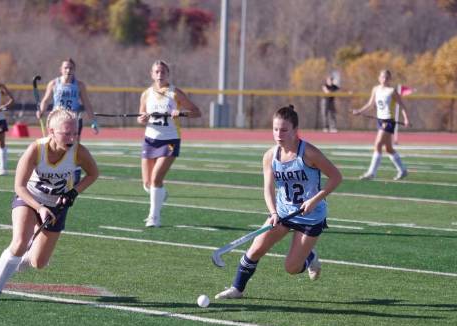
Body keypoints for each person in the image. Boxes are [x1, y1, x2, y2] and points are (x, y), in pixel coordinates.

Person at [215, 105, 342, 300]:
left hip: (310, 216)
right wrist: (273, 212)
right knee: (255, 250)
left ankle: (310, 257)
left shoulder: (308, 152)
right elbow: (268, 188)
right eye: (275, 129)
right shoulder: (270, 156)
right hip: (283, 212)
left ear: (295, 130)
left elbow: (336, 177)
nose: (278, 134)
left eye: (284, 130)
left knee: (291, 268)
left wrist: (315, 200)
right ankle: (237, 289)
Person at [0, 108, 99, 301]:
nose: (72, 138)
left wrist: (73, 192)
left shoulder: (78, 152)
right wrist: (39, 208)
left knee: (39, 262)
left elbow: (93, 174)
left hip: (56, 207)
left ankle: (28, 254)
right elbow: (19, 186)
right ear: (51, 131)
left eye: (74, 133)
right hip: (29, 199)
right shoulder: (36, 149)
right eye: (66, 133)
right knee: (19, 242)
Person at [136, 60, 201, 228]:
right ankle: (161, 193)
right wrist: (141, 119)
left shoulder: (175, 93)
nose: (159, 75)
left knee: (156, 179)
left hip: (169, 140)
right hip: (150, 140)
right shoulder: (146, 94)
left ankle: (154, 217)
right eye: (156, 72)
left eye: (162, 72)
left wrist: (181, 113)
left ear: (167, 74)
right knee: (147, 184)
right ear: (151, 74)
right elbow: (141, 116)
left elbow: (196, 112)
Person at [352, 69, 410, 180]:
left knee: (378, 144)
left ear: (390, 79)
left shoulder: (392, 91)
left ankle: (371, 173)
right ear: (379, 78)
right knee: (388, 149)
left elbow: (402, 106)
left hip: (388, 121)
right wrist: (360, 111)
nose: (384, 79)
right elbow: (370, 104)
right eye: (383, 77)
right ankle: (402, 170)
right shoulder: (376, 89)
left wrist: (406, 119)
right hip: (380, 121)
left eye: (387, 77)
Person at [36, 58, 99, 138]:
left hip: (73, 119)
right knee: (53, 143)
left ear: (74, 70)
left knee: (73, 146)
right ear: (61, 69)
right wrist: (41, 111)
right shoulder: (54, 83)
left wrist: (93, 121)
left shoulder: (79, 85)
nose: (68, 70)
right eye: (66, 68)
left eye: (71, 68)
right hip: (57, 118)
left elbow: (87, 104)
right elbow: (46, 100)